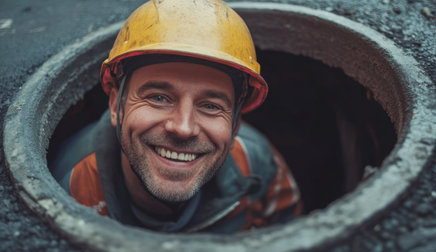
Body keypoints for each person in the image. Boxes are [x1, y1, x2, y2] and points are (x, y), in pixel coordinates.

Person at [50, 0, 301, 233]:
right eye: (159, 98)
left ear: (235, 123)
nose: (183, 128)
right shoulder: (70, 187)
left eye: (210, 106)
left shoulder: (256, 160)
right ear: (116, 106)